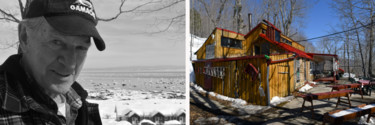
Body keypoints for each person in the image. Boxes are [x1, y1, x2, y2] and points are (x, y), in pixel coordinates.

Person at [0, 0, 104, 124]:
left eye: (81, 47)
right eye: (57, 42)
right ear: (24, 37)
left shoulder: (80, 106)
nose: (70, 63)